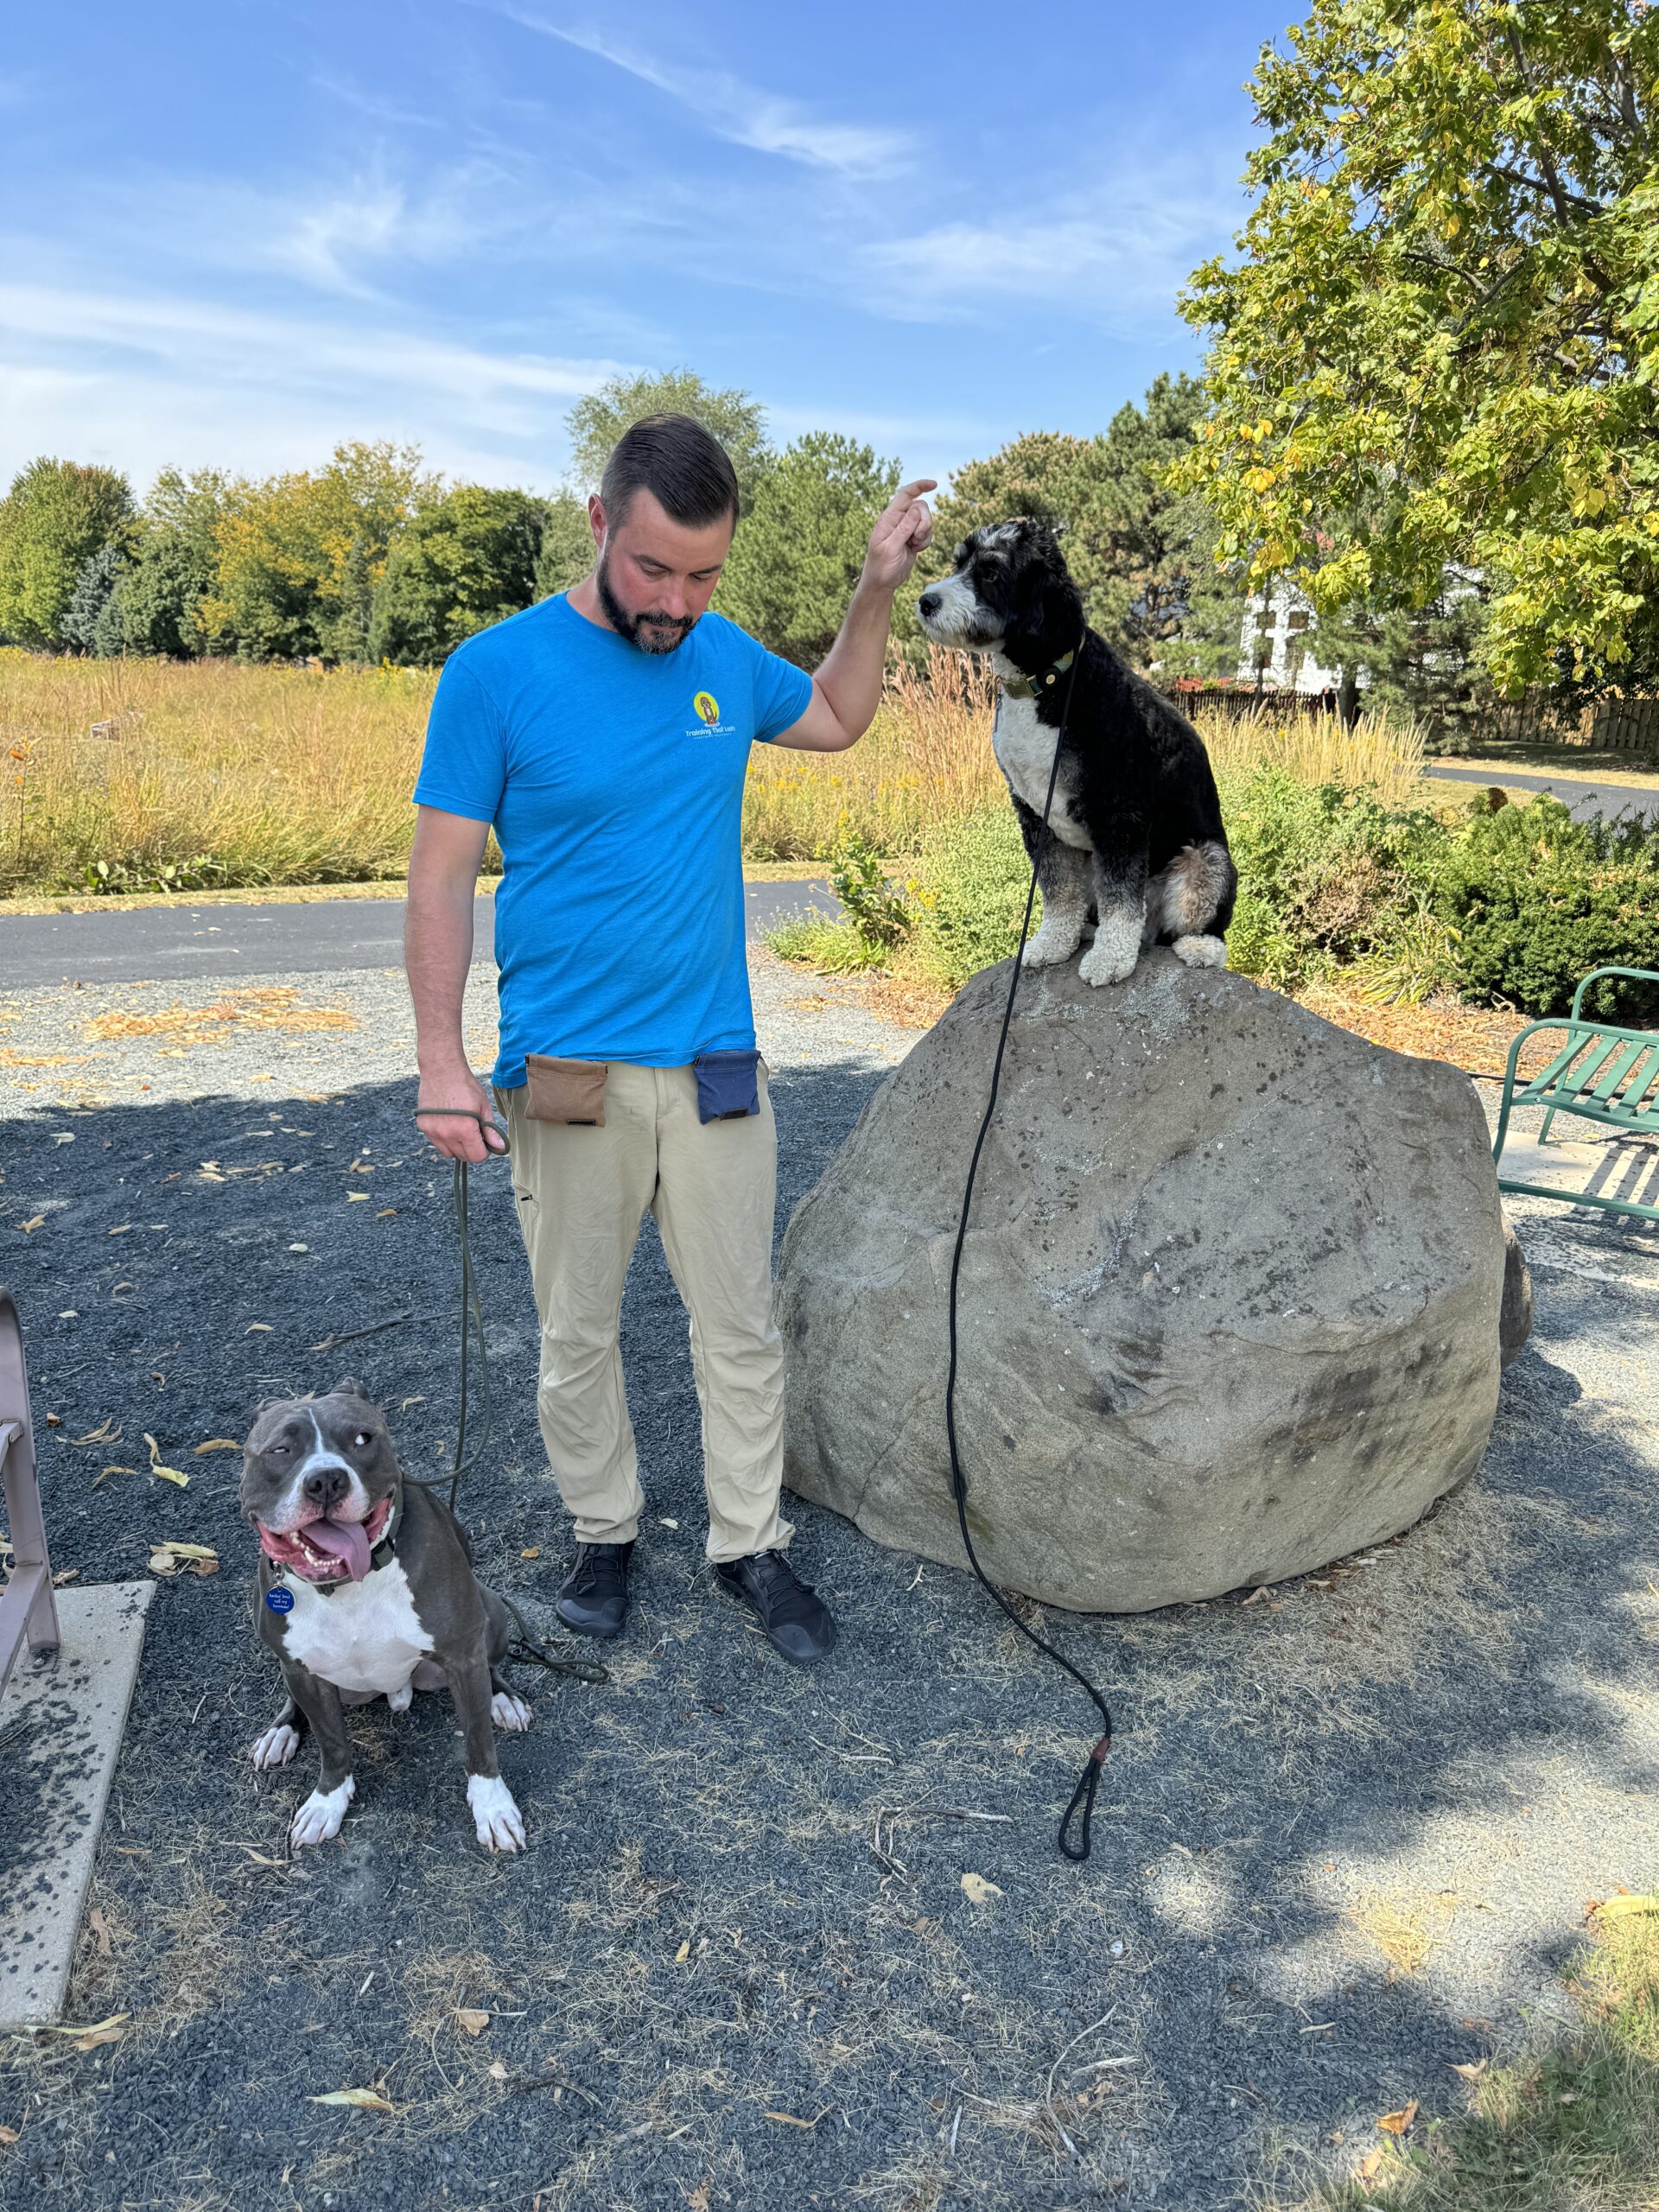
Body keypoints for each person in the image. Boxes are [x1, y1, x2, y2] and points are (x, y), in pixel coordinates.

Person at [404, 414, 934, 1663]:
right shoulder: (495, 672)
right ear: (599, 523)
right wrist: (440, 1061)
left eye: (704, 574)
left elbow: (841, 718)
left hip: (714, 1064)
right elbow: (440, 877)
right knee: (576, 1330)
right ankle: (606, 1534)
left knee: (738, 1324)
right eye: (653, 569)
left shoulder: (722, 657)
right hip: (568, 1073)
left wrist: (873, 589)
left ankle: (750, 1546)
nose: (677, 601)